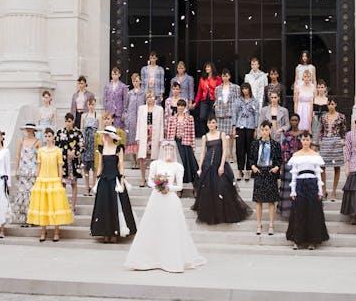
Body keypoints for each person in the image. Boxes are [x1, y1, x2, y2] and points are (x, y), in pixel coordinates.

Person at [124, 141, 206, 272]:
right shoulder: (155, 164)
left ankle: (171, 258)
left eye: (170, 149)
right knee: (153, 225)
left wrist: (168, 187)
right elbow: (150, 181)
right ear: (162, 150)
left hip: (170, 199)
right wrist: (158, 185)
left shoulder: (178, 167)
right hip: (156, 198)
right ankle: (150, 257)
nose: (168, 152)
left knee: (170, 227)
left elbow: (179, 186)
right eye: (166, 149)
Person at [191, 116, 251, 225]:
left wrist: (222, 165)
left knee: (222, 188)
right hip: (208, 165)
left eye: (213, 122)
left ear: (216, 124)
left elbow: (225, 151)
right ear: (207, 124)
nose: (212, 125)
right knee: (209, 190)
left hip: (219, 165)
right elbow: (203, 152)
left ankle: (224, 214)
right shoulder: (205, 137)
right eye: (210, 123)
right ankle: (212, 214)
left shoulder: (221, 134)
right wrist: (200, 167)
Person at [91, 125, 137, 243]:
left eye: (106, 135)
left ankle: (115, 232)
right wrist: (97, 180)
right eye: (104, 134)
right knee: (104, 206)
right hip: (104, 180)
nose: (104, 136)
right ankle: (105, 233)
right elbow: (100, 165)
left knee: (115, 206)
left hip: (115, 180)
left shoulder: (118, 148)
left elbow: (120, 165)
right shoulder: (102, 148)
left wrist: (121, 181)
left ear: (112, 136)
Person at [28, 128, 74, 241]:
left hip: (54, 180)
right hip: (42, 180)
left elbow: (60, 166)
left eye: (49, 136)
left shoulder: (58, 150)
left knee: (55, 206)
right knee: (43, 206)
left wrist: (60, 180)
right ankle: (43, 232)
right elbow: (38, 166)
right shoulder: (41, 151)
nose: (48, 138)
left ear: (53, 137)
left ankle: (56, 232)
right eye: (46, 136)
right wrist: (37, 179)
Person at [286, 132, 329, 250]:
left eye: (307, 139)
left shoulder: (315, 156)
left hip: (312, 183)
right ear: (301, 141)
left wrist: (320, 190)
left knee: (312, 212)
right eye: (303, 140)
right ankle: (297, 240)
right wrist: (293, 190)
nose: (305, 142)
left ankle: (312, 240)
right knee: (299, 211)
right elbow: (294, 174)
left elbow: (318, 173)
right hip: (300, 183)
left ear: (310, 141)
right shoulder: (296, 155)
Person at [249, 121, 281, 235]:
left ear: (270, 130)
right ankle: (259, 224)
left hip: (270, 172)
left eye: (266, 129)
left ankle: (271, 224)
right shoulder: (255, 144)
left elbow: (279, 159)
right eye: (262, 130)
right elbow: (251, 158)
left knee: (271, 201)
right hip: (259, 171)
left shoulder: (276, 144)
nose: (264, 132)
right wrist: (252, 166)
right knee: (259, 201)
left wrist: (277, 167)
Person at [164, 99, 200, 184]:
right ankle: (179, 187)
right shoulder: (172, 118)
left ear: (185, 107)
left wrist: (193, 146)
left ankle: (195, 186)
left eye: (182, 106)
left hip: (186, 143)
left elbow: (192, 132)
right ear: (177, 107)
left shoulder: (189, 118)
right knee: (177, 165)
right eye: (179, 106)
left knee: (190, 165)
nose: (180, 107)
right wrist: (168, 146)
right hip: (176, 143)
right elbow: (169, 133)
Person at [317, 97, 347, 201]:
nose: (331, 106)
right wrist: (319, 141)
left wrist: (343, 140)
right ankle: (324, 190)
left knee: (336, 166)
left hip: (336, 142)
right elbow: (320, 130)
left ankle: (334, 191)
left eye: (333, 104)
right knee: (323, 166)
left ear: (336, 105)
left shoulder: (341, 117)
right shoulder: (323, 117)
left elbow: (344, 130)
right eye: (329, 104)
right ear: (327, 105)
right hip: (325, 142)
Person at [12, 123, 39, 227]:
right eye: (27, 129)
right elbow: (18, 155)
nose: (28, 131)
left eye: (30, 129)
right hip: (23, 170)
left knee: (31, 194)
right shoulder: (21, 140)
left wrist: (38, 171)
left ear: (33, 130)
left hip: (32, 170)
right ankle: (24, 218)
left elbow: (39, 157)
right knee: (22, 194)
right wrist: (16, 169)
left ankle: (32, 218)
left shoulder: (38, 142)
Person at [55, 113, 84, 211]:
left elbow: (82, 146)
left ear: (73, 121)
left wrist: (75, 153)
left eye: (69, 121)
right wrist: (65, 152)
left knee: (74, 184)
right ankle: (62, 205)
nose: (67, 123)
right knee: (62, 184)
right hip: (63, 162)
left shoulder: (78, 133)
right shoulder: (60, 132)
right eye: (66, 121)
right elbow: (56, 146)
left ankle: (73, 206)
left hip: (74, 162)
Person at [232, 82, 260, 181]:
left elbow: (256, 115)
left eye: (246, 89)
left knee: (250, 149)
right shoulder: (237, 101)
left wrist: (256, 128)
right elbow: (234, 113)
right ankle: (240, 170)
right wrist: (234, 127)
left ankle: (248, 170)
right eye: (243, 89)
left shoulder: (255, 101)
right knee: (240, 149)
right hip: (240, 126)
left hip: (250, 127)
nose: (245, 91)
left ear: (249, 89)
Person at [136, 91, 164, 186]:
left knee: (154, 158)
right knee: (142, 158)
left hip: (155, 134)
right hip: (144, 134)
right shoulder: (141, 108)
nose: (150, 98)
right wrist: (138, 137)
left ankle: (152, 179)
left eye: (151, 96)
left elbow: (161, 125)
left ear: (154, 98)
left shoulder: (159, 109)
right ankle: (143, 178)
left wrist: (161, 138)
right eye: (148, 97)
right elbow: (139, 123)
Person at [277, 113, 302, 221]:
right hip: (289, 165)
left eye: (296, 120)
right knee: (288, 190)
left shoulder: (303, 134)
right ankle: (289, 211)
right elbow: (284, 152)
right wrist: (284, 165)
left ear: (299, 121)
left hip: (301, 164)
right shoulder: (287, 135)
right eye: (292, 120)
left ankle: (299, 211)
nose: (294, 122)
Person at [213, 68, 238, 164]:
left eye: (226, 75)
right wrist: (216, 107)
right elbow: (216, 100)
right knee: (222, 135)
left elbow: (237, 100)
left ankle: (231, 154)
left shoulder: (235, 87)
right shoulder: (217, 88)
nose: (225, 77)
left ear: (230, 76)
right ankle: (224, 155)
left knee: (231, 135)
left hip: (231, 113)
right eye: (223, 76)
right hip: (221, 114)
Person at [194, 62, 221, 141]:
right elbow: (199, 92)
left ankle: (213, 134)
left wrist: (219, 102)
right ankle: (205, 133)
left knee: (212, 117)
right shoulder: (202, 78)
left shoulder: (217, 78)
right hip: (204, 100)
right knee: (202, 116)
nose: (207, 69)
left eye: (208, 67)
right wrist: (195, 102)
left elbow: (219, 90)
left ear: (212, 68)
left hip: (214, 100)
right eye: (206, 67)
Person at [124, 72, 145, 162]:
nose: (135, 83)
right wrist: (126, 117)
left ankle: (140, 160)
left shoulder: (143, 93)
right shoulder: (129, 94)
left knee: (140, 139)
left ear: (140, 81)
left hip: (141, 119)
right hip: (131, 119)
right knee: (132, 139)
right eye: (134, 81)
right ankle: (134, 161)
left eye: (137, 81)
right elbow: (126, 106)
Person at [81, 99, 99, 194]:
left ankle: (94, 185)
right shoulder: (84, 116)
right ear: (87, 105)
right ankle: (87, 186)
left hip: (94, 142)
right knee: (86, 166)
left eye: (93, 104)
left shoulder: (97, 116)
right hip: (86, 142)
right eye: (90, 104)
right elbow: (82, 129)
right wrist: (82, 142)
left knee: (94, 166)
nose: (91, 106)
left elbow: (100, 130)